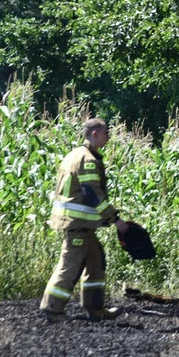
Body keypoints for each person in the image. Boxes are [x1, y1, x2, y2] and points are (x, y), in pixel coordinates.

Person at [39, 117, 129, 323]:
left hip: (82, 226)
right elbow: (92, 194)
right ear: (95, 134)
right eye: (106, 133)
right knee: (70, 265)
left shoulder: (75, 155)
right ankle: (52, 309)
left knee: (95, 261)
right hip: (77, 225)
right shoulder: (87, 159)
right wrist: (115, 220)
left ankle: (95, 308)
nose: (109, 138)